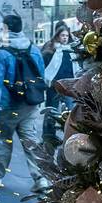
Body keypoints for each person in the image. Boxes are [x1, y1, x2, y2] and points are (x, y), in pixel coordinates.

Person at [0, 13, 46, 188]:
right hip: (29, 104)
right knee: (31, 142)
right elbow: (41, 76)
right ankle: (40, 179)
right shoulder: (34, 49)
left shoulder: (2, 53)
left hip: (8, 106)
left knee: (2, 141)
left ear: (6, 29)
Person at [42, 23, 79, 153]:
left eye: (66, 35)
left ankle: (68, 135)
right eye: (62, 35)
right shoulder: (51, 49)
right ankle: (48, 135)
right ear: (58, 36)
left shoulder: (72, 50)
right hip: (54, 85)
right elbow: (47, 67)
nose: (64, 38)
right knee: (51, 110)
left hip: (69, 85)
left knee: (70, 111)